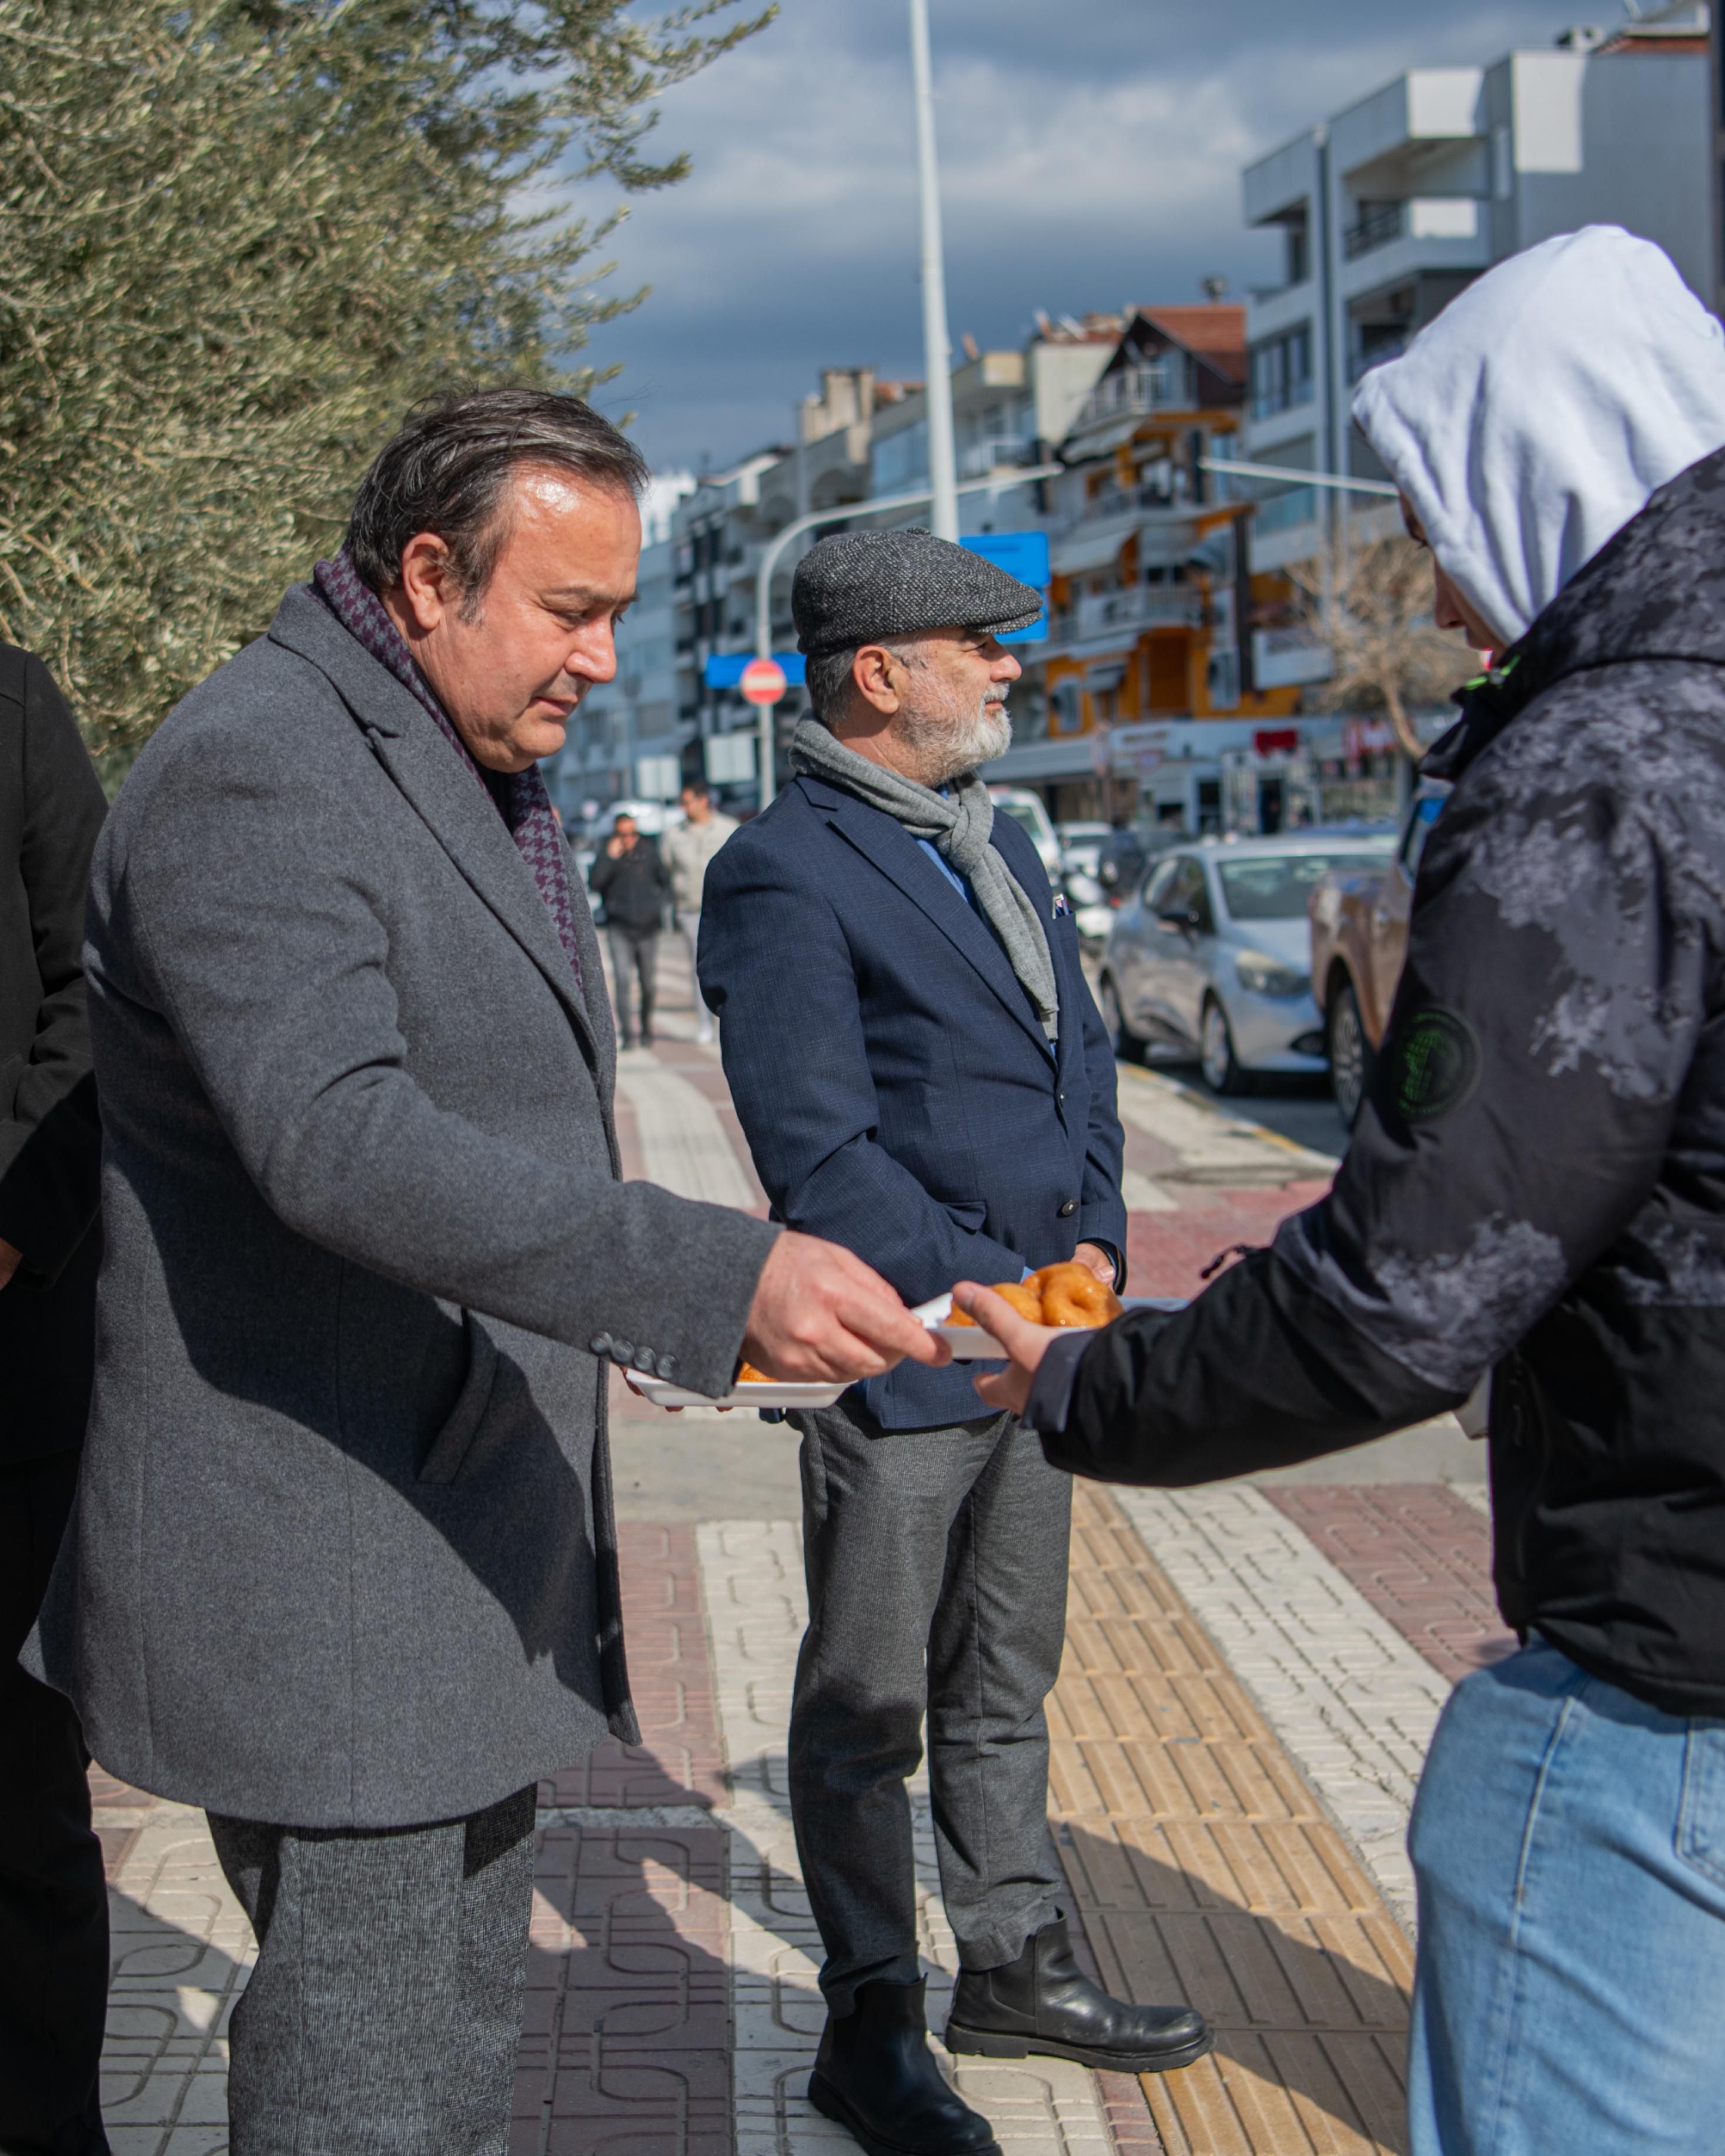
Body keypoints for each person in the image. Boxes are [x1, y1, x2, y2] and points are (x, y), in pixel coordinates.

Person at [28, 388, 942, 2156]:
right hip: (332, 1573)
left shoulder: (436, 749)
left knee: (438, 2040)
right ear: (430, 574)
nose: (604, 657)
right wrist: (705, 1270)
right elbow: (337, 1134)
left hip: (442, 1537)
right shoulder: (261, 763)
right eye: (571, 610)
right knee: (367, 2086)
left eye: (618, 609)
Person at [957, 227, 1725, 2156]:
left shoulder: (1607, 764)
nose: (1444, 590)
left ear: (1539, 468)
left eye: (1432, 513)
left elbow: (1407, 1286)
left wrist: (1082, 1384)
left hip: (1670, 1680)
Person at [700, 527, 1210, 2156]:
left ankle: (1011, 1959)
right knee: (865, 1699)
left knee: (1004, 1675)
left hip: (1033, 1346)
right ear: (880, 672)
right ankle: (870, 2024)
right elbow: (818, 1146)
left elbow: (1081, 1072)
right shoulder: (783, 866)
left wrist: (1095, 1254)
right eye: (977, 643)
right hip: (913, 1352)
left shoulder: (986, 841)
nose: (1007, 666)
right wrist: (989, 1293)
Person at [0, 647, 108, 2156]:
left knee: (16, 1789)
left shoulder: (13, 704)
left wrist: (12, 1226)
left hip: (6, 1329)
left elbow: (95, 991)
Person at [660, 778, 738, 1043]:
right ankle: (704, 1023)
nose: (683, 807)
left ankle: (731, 1021)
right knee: (699, 969)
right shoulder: (673, 835)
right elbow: (668, 869)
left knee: (732, 965)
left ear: (703, 801)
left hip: (727, 909)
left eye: (687, 802)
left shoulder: (727, 828)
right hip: (691, 910)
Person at [589, 811, 671, 1046]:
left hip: (647, 927)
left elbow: (665, 882)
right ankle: (627, 1034)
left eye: (631, 833)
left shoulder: (649, 852)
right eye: (621, 834)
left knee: (648, 983)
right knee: (623, 980)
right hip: (619, 927)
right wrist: (610, 858)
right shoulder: (607, 853)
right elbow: (595, 883)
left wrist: (657, 905)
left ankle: (646, 1027)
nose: (627, 838)